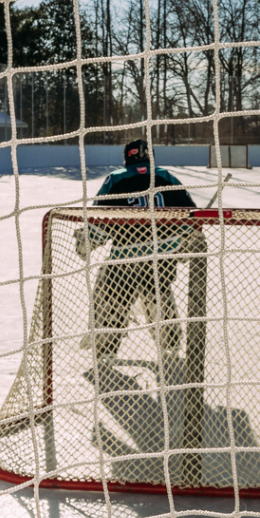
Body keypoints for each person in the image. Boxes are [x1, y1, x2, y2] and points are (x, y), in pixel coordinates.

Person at [76, 139, 198, 361]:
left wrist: (87, 243)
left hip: (125, 257)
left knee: (114, 298)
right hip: (163, 255)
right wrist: (186, 240)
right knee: (158, 294)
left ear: (127, 158)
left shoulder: (116, 178)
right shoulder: (167, 177)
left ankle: (106, 348)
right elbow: (190, 215)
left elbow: (100, 221)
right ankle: (170, 344)